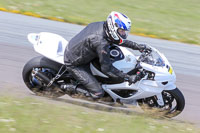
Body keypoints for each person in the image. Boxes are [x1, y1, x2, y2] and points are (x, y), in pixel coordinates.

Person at [64, 11, 151, 99]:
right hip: (75, 63)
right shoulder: (101, 42)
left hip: (83, 51)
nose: (124, 34)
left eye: (124, 31)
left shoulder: (105, 27)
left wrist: (137, 46)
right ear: (113, 27)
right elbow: (107, 69)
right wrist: (128, 77)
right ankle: (66, 87)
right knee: (98, 93)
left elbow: (118, 40)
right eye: (122, 31)